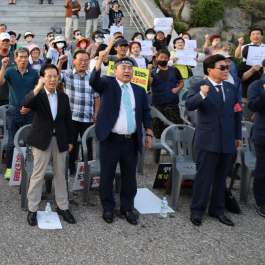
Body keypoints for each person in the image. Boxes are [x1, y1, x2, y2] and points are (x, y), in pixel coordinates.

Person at [89, 52, 153, 225]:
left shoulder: (139, 90)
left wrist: (148, 133)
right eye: (123, 68)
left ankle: (127, 208)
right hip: (111, 139)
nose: (127, 71)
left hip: (131, 140)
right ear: (115, 71)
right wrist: (98, 61)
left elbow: (146, 113)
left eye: (130, 68)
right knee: (107, 174)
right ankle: (108, 208)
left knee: (129, 176)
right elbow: (93, 82)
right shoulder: (108, 85)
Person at [185, 54, 242, 227]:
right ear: (210, 70)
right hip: (208, 139)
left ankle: (217, 209)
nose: (227, 70)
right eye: (222, 67)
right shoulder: (198, 86)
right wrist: (201, 95)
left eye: (227, 67)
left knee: (221, 177)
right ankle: (197, 210)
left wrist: (237, 135)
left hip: (227, 140)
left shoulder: (230, 87)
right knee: (204, 177)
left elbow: (237, 113)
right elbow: (189, 105)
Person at [23, 63, 77, 226]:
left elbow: (68, 119)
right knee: (38, 175)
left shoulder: (62, 96)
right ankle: (32, 208)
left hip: (59, 139)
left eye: (55, 76)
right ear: (43, 78)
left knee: (61, 174)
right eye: (49, 76)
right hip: (41, 139)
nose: (53, 79)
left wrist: (70, 140)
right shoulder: (38, 94)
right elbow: (26, 102)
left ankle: (63, 206)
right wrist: (38, 87)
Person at [0, 47, 38, 179]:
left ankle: (28, 167)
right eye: (20, 57)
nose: (23, 59)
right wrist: (3, 67)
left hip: (29, 112)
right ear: (16, 59)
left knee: (29, 141)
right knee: (11, 142)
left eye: (26, 57)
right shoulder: (10, 71)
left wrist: (30, 107)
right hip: (14, 111)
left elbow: (37, 92)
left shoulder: (34, 73)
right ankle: (9, 168)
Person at [62, 50, 100, 176]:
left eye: (86, 60)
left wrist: (96, 113)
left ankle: (86, 170)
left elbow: (96, 97)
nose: (83, 63)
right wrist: (60, 62)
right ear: (74, 61)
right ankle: (70, 168)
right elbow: (55, 76)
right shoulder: (67, 74)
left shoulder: (92, 77)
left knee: (88, 144)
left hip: (87, 116)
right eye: (80, 60)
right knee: (71, 143)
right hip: (71, 116)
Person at [149, 49, 184, 139]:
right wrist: (148, 72)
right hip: (157, 105)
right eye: (161, 57)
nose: (163, 59)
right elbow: (149, 83)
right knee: (157, 131)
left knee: (178, 127)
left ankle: (180, 146)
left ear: (169, 59)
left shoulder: (174, 70)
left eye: (166, 58)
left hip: (172, 104)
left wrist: (178, 88)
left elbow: (181, 82)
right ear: (157, 58)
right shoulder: (152, 72)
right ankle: (158, 151)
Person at [247, 71, 265, 217]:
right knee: (262, 170)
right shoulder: (257, 85)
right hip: (262, 133)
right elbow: (253, 106)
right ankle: (261, 201)